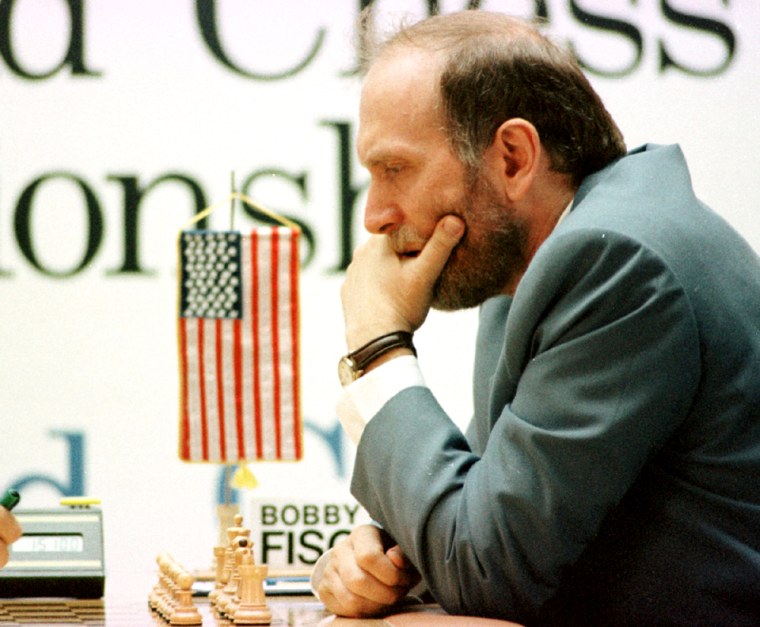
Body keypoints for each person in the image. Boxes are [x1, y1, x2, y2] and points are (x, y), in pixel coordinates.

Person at [314, 9, 760, 626]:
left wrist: (377, 347)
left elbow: (488, 569)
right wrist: (379, 556)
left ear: (514, 158)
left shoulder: (616, 263)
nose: (376, 215)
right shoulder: (543, 259)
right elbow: (484, 506)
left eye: (396, 169)